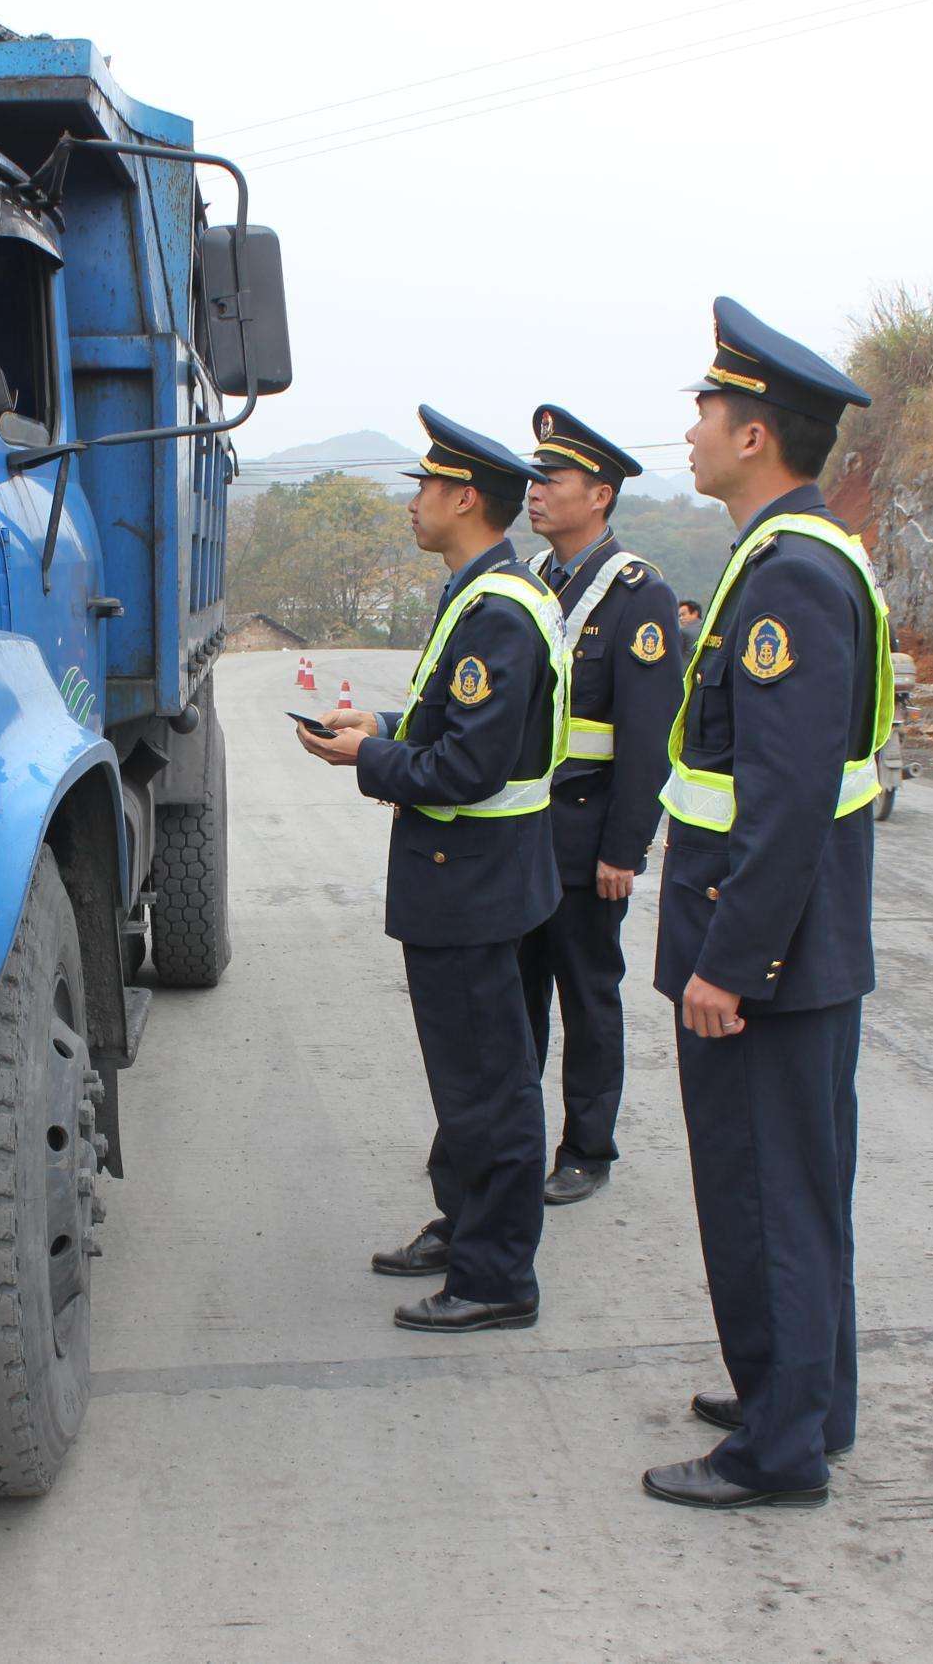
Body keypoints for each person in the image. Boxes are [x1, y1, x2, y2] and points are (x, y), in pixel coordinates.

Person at [643, 298, 893, 1510]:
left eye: (704, 409)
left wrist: (727, 962)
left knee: (764, 1197)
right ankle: (804, 1398)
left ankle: (776, 1451)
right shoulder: (794, 555)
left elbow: (786, 799)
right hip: (797, 952)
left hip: (766, 963)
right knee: (798, 1187)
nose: (688, 427)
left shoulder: (789, 577)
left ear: (753, 437)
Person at [298, 405, 567, 1333]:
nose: (412, 502)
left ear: (464, 498)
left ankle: (497, 1276)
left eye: (424, 487)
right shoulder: (480, 594)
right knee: (466, 1077)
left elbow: (467, 769)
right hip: (473, 878)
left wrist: (363, 762)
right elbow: (451, 728)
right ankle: (465, 1226)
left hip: (475, 881)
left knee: (490, 1084)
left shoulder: (499, 613)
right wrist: (384, 726)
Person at [516, 406, 682, 1206]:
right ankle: (509, 1139)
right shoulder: (537, 583)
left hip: (588, 838)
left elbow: (649, 739)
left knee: (586, 995)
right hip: (522, 833)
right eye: (534, 477)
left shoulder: (638, 595)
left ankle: (587, 1147)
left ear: (602, 496)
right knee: (515, 995)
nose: (535, 491)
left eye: (553, 480)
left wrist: (626, 848)